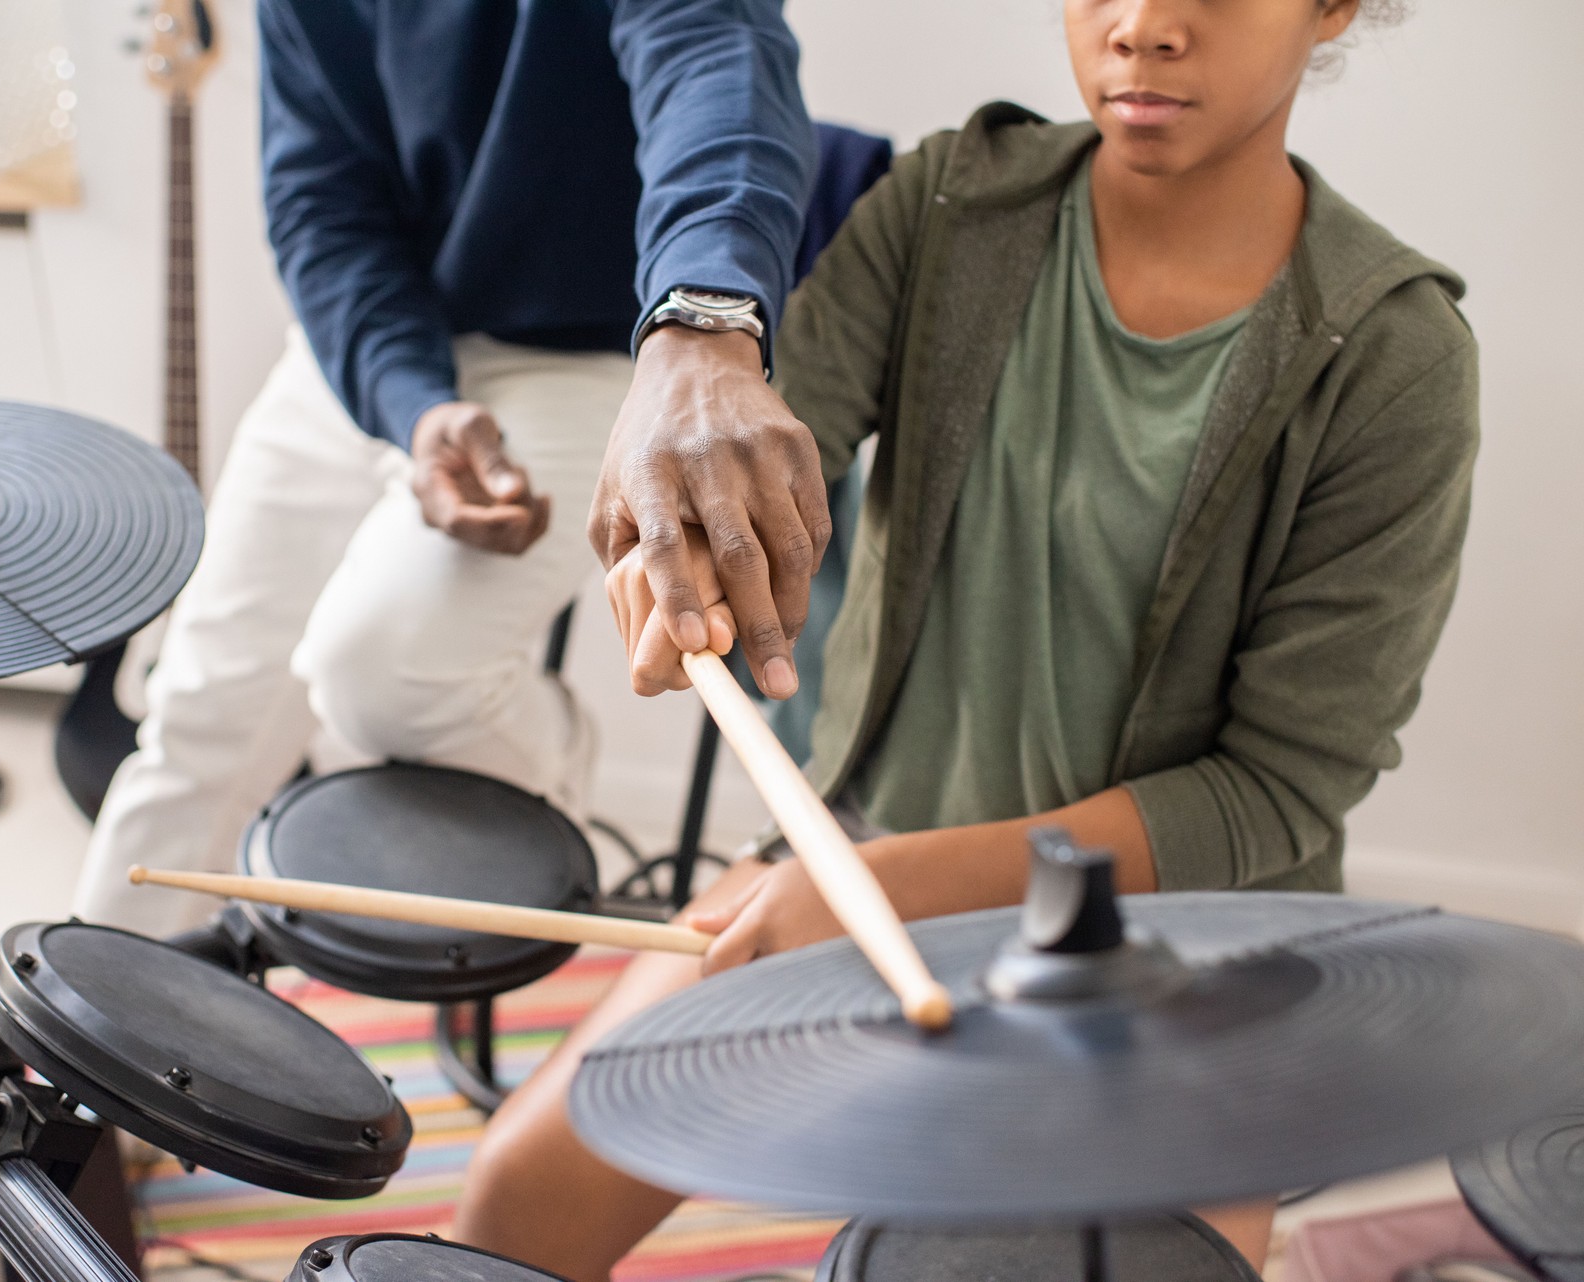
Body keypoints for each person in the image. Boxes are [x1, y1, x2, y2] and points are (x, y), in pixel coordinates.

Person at [456, 1, 1476, 1277]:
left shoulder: (1392, 353)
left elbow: (1278, 786)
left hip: (1174, 953)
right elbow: (780, 456)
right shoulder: (954, 203)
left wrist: (890, 890)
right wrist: (697, 534)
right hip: (864, 854)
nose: (1145, 26)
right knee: (514, 1200)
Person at [72, 1, 828, 936]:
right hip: (370, 345)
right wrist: (413, 402)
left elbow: (715, 56)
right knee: (193, 715)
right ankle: (84, 1047)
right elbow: (322, 200)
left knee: (376, 673)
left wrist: (702, 323)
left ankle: (548, 785)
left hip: (591, 343)